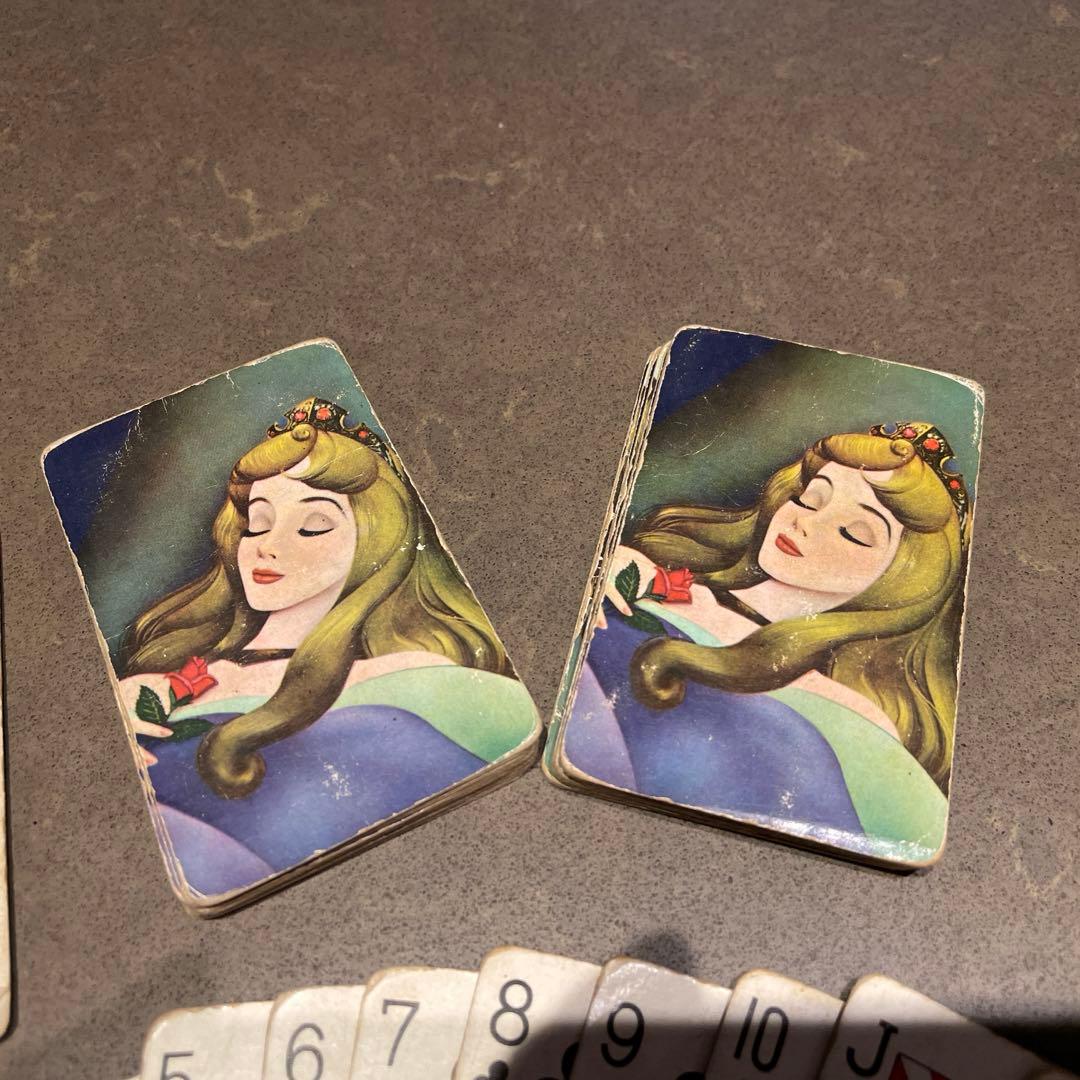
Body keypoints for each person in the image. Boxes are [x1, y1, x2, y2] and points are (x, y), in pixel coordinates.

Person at [117, 397, 535, 895]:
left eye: (312, 525)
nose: (267, 545)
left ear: (376, 541)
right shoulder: (162, 682)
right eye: (257, 522)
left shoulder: (415, 676)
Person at [569, 423, 969, 861]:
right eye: (810, 498)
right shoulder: (645, 569)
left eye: (853, 533)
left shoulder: (848, 713)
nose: (806, 522)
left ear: (902, 580)